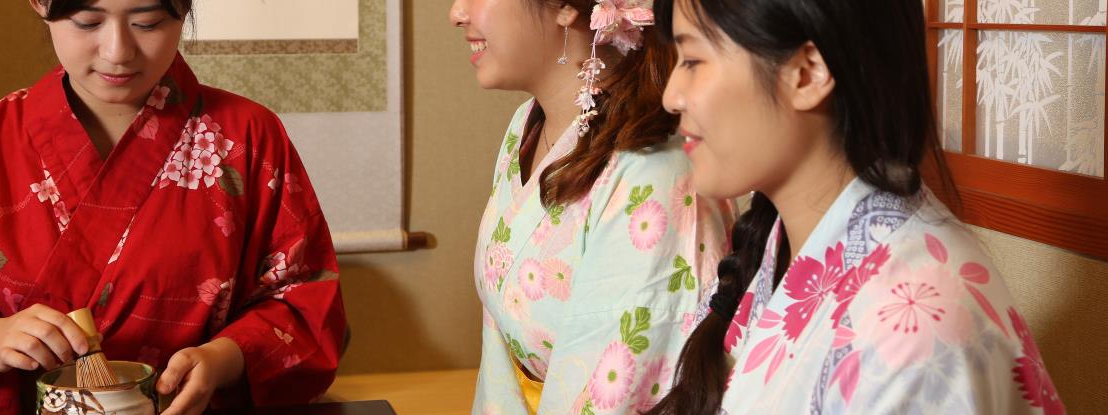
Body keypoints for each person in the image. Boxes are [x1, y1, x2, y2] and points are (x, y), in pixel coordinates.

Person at [0, 1, 346, 413]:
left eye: (147, 22)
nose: (118, 51)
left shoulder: (248, 137)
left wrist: (225, 359)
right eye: (87, 22)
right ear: (41, 4)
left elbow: (306, 306)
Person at [648, 0, 1063, 413]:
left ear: (807, 72)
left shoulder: (916, 322)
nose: (670, 97)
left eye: (693, 60)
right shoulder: (785, 243)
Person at [449, 0, 737, 413]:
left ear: (566, 8)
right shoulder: (525, 125)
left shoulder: (654, 172)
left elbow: (617, 391)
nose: (457, 13)